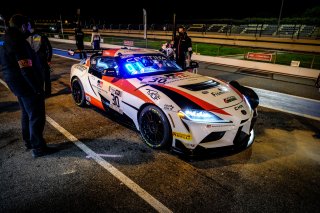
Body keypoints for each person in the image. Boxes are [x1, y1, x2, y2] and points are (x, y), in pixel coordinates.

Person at [0, 14, 58, 158]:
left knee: (26, 114)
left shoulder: (5, 40)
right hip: (26, 86)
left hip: (16, 85)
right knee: (36, 116)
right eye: (27, 25)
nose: (29, 27)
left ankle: (29, 142)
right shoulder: (18, 42)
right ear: (23, 26)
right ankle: (38, 148)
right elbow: (25, 69)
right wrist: (37, 89)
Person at [27, 19, 53, 97]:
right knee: (37, 77)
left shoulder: (41, 35)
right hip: (32, 61)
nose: (28, 27)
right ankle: (40, 92)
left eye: (29, 25)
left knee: (46, 77)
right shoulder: (26, 36)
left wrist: (48, 59)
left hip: (42, 60)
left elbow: (49, 48)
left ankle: (48, 93)